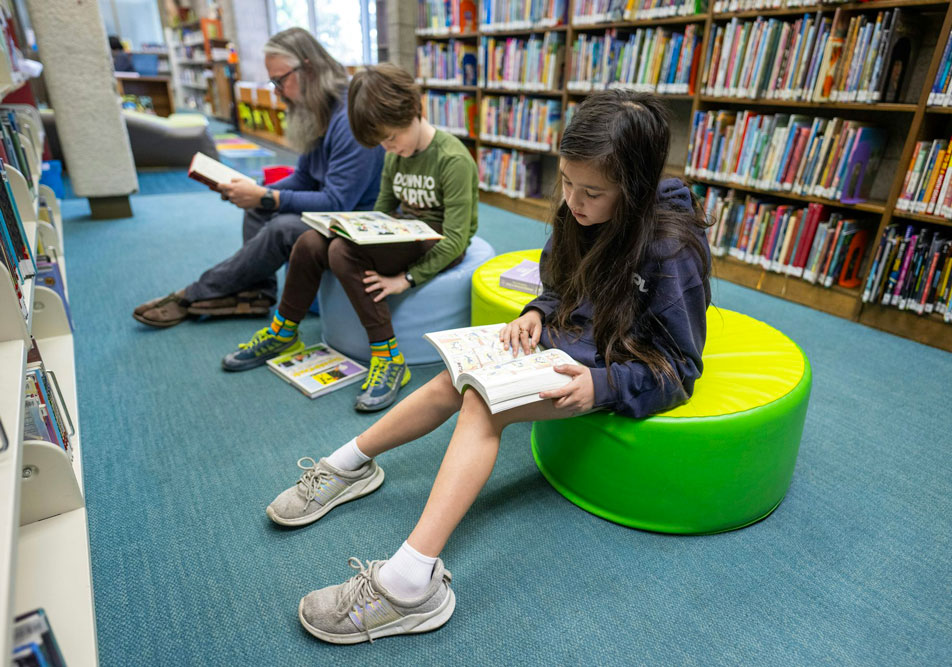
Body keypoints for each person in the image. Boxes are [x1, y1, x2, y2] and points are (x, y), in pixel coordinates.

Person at [263, 89, 713, 644]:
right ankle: (347, 465)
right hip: (569, 338)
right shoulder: (582, 209)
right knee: (452, 373)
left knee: (481, 403)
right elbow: (560, 284)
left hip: (610, 366)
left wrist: (605, 385)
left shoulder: (672, 248)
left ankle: (410, 586)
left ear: (636, 188)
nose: (573, 200)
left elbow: (681, 367)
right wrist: (537, 311)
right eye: (567, 182)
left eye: (592, 191)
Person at [220, 63, 478, 413]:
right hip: (403, 232)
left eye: (391, 138)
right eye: (382, 142)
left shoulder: (452, 159)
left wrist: (407, 279)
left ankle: (388, 355)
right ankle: (284, 331)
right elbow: (383, 213)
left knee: (342, 252)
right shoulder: (394, 155)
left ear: (414, 111)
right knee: (311, 242)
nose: (389, 147)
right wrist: (347, 226)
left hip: (439, 241)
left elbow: (457, 239)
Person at [133, 28, 384, 328]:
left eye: (280, 80)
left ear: (309, 68)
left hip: (356, 220)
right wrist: (258, 192)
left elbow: (337, 200)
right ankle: (256, 293)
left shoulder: (349, 119)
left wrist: (268, 196)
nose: (277, 91)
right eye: (273, 81)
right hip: (330, 212)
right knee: (258, 208)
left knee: (281, 226)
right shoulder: (320, 108)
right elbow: (304, 177)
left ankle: (193, 293)